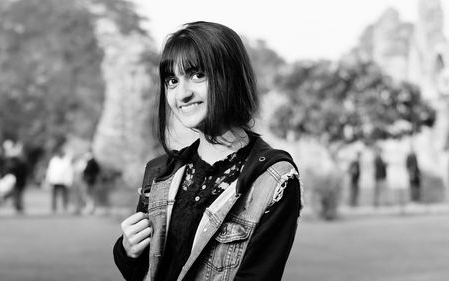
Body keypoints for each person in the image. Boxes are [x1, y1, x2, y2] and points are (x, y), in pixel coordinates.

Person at [113, 21, 302, 281]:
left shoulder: (274, 179)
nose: (182, 93)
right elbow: (145, 272)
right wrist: (127, 251)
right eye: (172, 80)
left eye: (197, 75)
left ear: (231, 76)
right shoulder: (161, 173)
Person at [45, 148, 74, 213]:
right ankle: (54, 208)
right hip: (55, 180)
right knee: (54, 195)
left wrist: (69, 181)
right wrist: (48, 180)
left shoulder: (66, 160)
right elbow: (50, 171)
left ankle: (65, 207)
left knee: (65, 195)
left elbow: (69, 172)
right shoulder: (53, 160)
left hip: (64, 181)